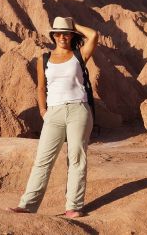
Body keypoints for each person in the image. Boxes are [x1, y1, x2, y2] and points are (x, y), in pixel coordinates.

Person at [9, 16, 98, 218]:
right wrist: (43, 111)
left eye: (65, 33)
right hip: (54, 112)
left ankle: (73, 207)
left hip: (78, 109)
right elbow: (41, 87)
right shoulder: (44, 59)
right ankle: (27, 205)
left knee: (76, 159)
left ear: (72, 35)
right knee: (42, 160)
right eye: (57, 33)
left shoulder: (79, 55)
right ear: (53, 36)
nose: (61, 37)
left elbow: (93, 35)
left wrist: (73, 25)